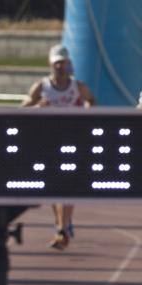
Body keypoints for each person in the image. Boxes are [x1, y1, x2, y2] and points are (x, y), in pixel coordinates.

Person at [22, 44, 95, 251]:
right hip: (48, 142)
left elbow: (91, 101)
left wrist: (85, 114)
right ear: (50, 64)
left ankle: (62, 229)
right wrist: (38, 107)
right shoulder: (41, 87)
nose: (60, 67)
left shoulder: (77, 86)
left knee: (67, 186)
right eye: (57, 63)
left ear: (68, 63)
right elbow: (22, 109)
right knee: (54, 188)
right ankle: (61, 224)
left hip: (72, 142)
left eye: (63, 63)